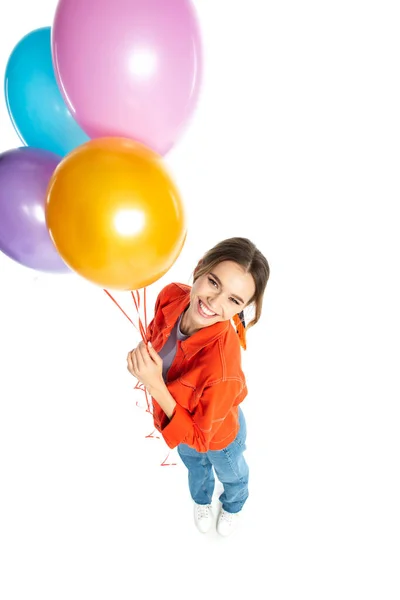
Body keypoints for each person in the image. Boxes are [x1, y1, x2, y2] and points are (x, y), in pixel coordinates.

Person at [126, 237, 270, 536]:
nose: (214, 304)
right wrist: (146, 355)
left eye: (234, 300)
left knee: (231, 473)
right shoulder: (171, 295)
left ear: (244, 307)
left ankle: (234, 504)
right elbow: (157, 333)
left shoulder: (222, 369)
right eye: (214, 283)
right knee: (195, 466)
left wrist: (154, 385)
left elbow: (201, 439)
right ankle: (202, 500)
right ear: (200, 267)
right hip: (181, 425)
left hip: (219, 436)